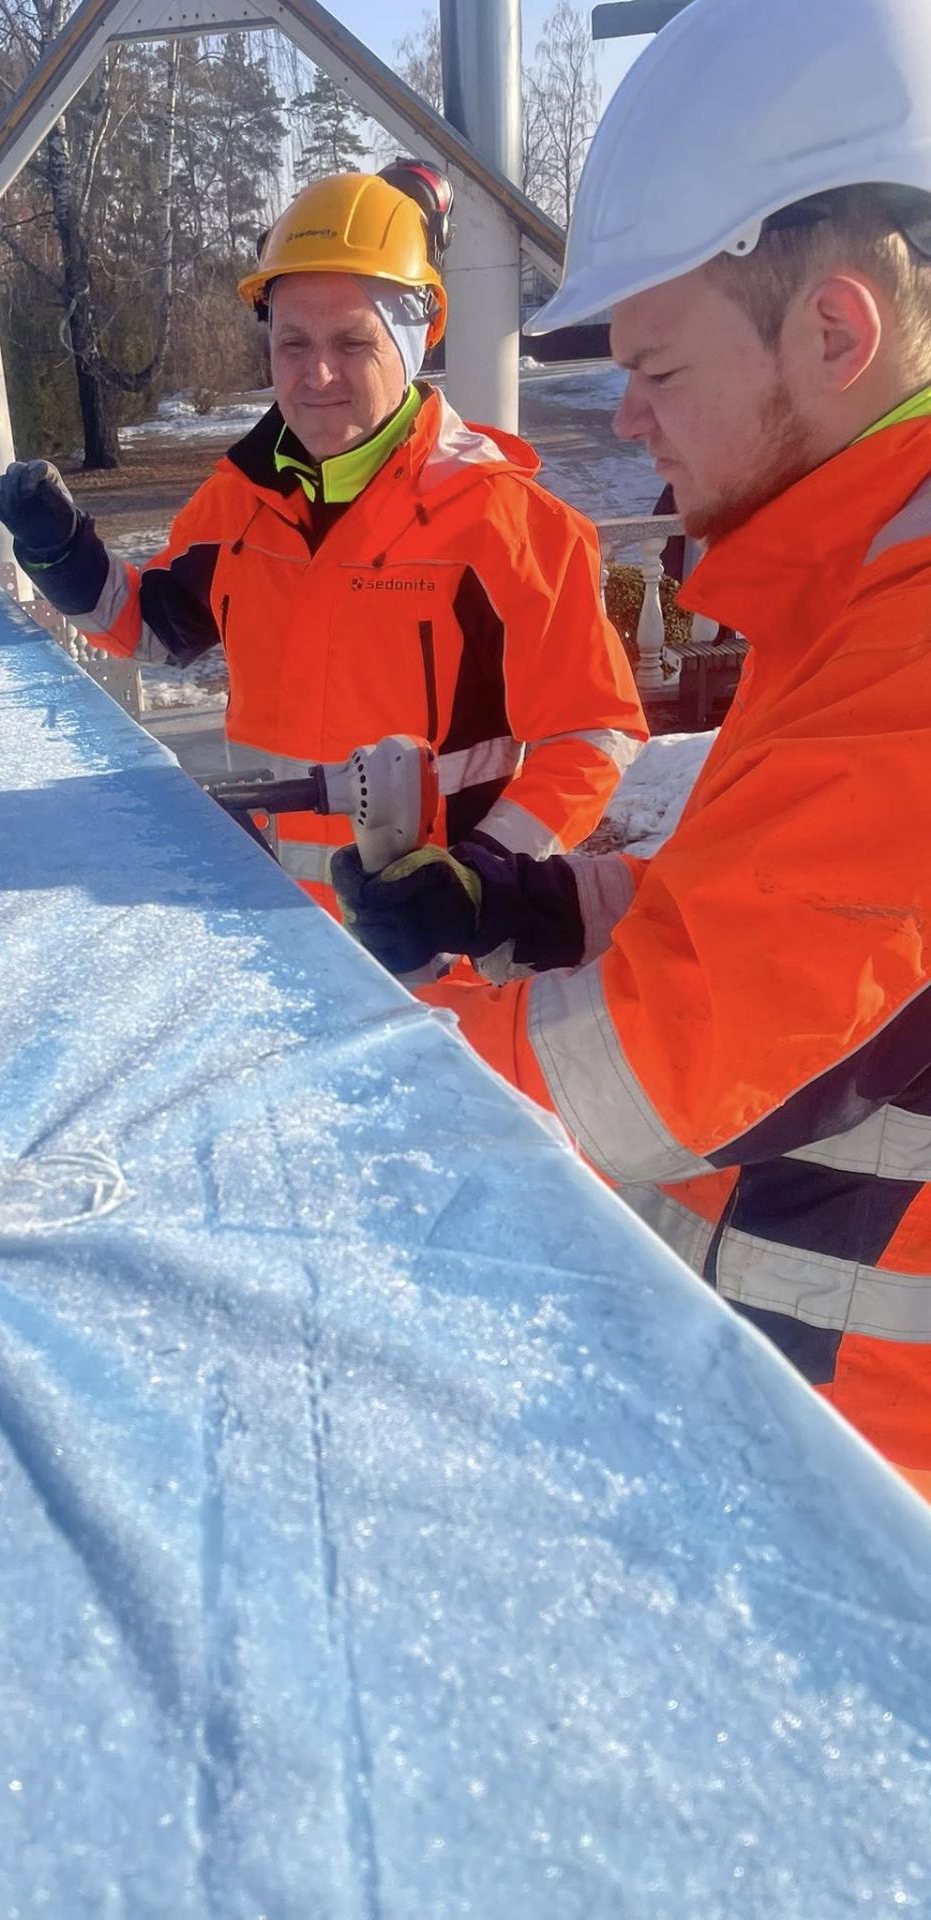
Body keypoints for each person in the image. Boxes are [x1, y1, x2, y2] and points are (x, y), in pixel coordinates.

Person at [332, 0, 931, 1495]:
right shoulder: (857, 587)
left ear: (835, 332)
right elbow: (794, 933)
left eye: (657, 371)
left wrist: (327, 1068)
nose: (628, 417)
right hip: (798, 1432)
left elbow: (645, 1077)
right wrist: (537, 906)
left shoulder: (913, 642)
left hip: (868, 1509)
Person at [0, 161, 645, 911]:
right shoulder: (240, 501)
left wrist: (480, 878)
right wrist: (61, 552)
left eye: (353, 343)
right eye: (293, 343)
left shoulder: (511, 524)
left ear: (415, 341)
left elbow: (594, 733)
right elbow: (154, 628)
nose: (317, 374)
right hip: (271, 923)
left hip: (430, 952)